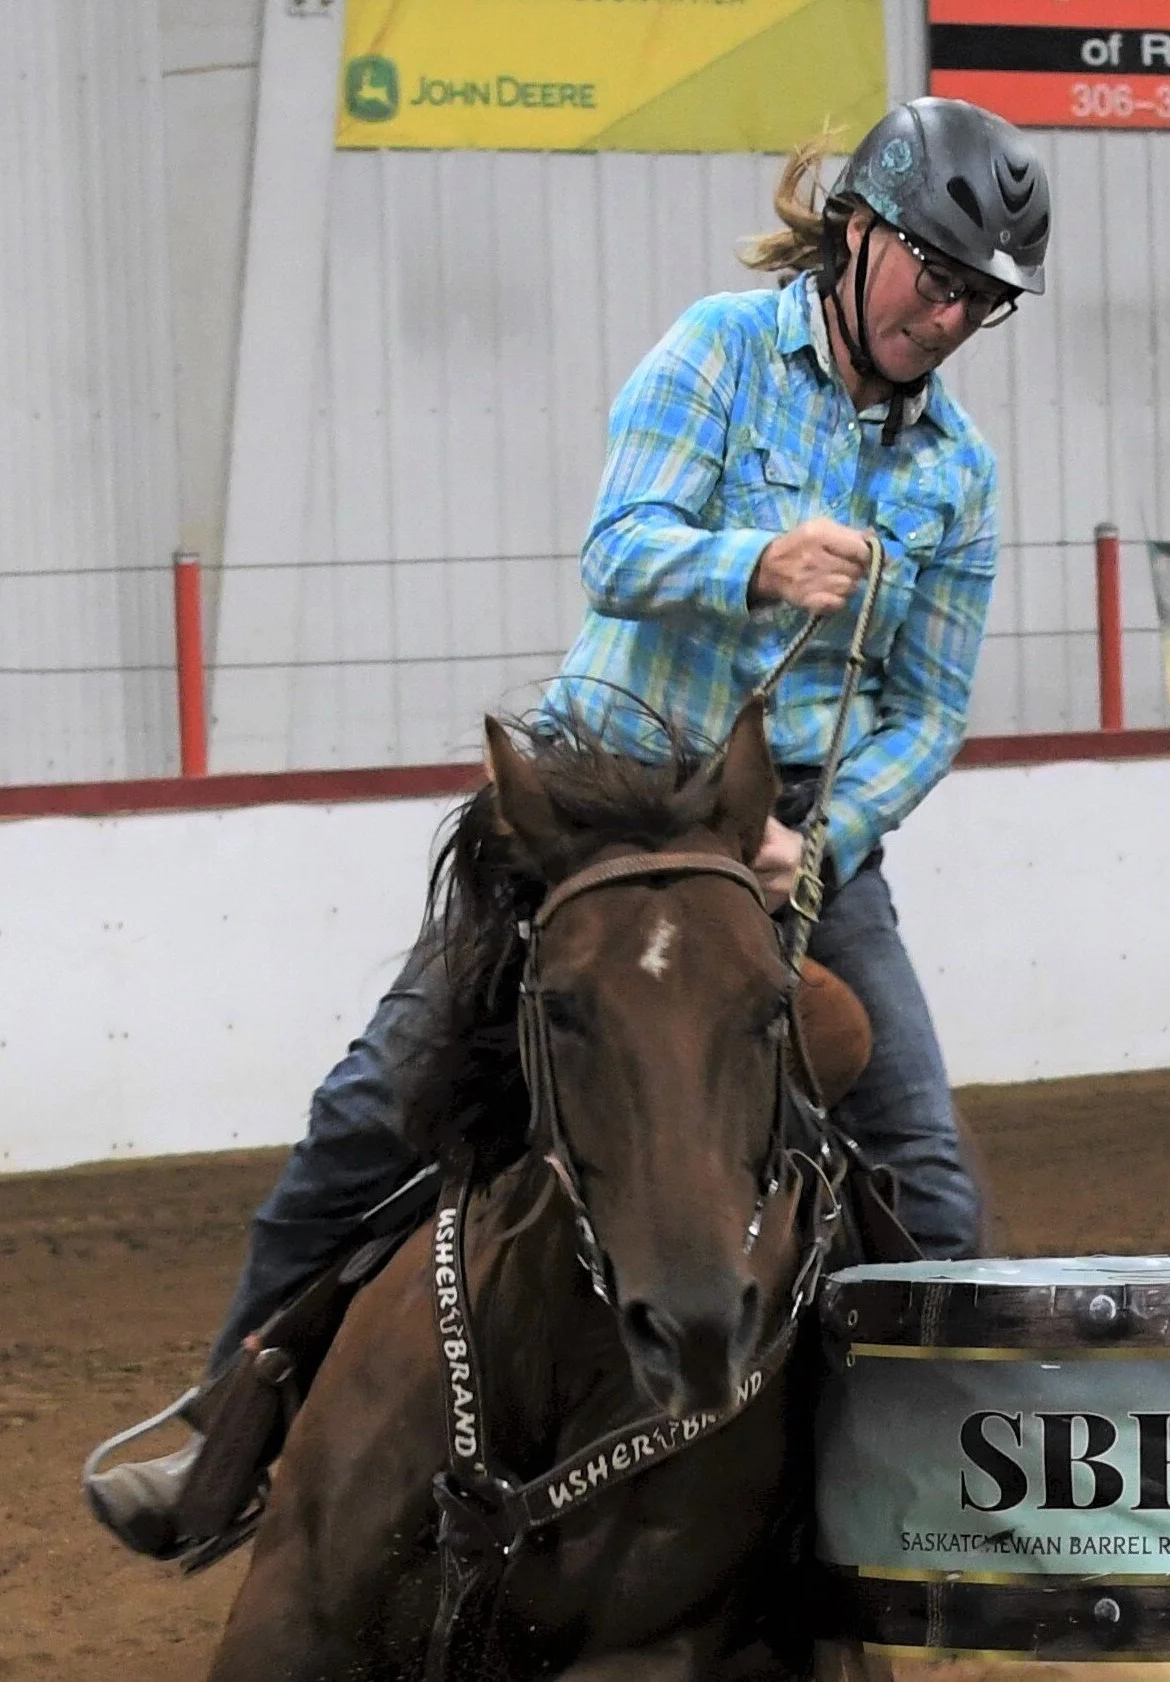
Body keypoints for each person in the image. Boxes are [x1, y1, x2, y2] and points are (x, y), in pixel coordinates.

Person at [83, 95, 1051, 1559]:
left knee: (925, 1176)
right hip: (600, 797)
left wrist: (825, 841)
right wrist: (758, 562)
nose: (952, 311)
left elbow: (928, 711)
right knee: (374, 1110)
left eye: (983, 297)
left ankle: (903, 1518)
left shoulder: (958, 477)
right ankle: (226, 1432)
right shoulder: (718, 353)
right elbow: (619, 550)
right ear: (861, 230)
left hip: (783, 838)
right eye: (936, 271)